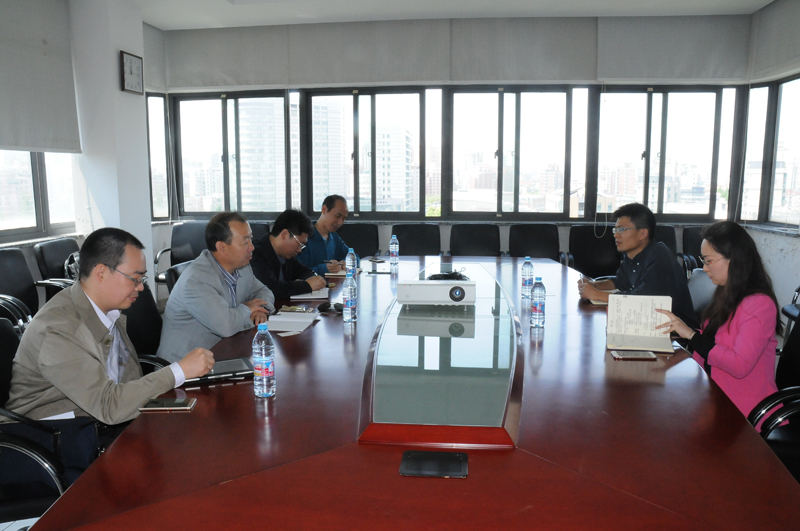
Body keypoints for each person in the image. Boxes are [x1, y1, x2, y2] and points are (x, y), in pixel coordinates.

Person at [5, 228, 215, 426]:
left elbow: (122, 384)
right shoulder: (58, 329)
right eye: (135, 278)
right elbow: (108, 407)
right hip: (55, 434)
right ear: (101, 273)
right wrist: (179, 370)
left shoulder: (105, 309)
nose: (141, 287)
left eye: (142, 279)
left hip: (99, 420)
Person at [655, 221, 781, 419]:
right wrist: (675, 347)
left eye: (709, 261)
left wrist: (691, 335)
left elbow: (739, 365)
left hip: (743, 410)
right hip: (714, 393)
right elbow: (711, 342)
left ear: (734, 259)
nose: (704, 268)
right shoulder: (726, 294)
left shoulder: (759, 304)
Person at [157, 212, 276, 363]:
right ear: (222, 247)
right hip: (184, 367)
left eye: (251, 239)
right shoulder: (197, 280)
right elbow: (226, 326)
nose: (251, 247)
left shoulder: (242, 267)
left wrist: (260, 310)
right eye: (245, 242)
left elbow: (263, 291)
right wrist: (248, 309)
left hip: (224, 354)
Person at [577, 203, 699, 329]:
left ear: (642, 233)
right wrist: (595, 285)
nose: (615, 235)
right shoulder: (633, 255)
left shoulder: (660, 257)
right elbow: (621, 281)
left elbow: (642, 299)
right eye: (615, 229)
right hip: (650, 323)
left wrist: (596, 295)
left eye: (621, 229)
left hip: (678, 333)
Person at [250, 209, 327, 299]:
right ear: (284, 234)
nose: (299, 250)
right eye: (299, 244)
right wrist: (306, 285)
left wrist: (313, 279)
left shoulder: (286, 254)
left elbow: (303, 271)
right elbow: (270, 289)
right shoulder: (256, 254)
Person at [297, 194, 359, 275]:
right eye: (337, 216)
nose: (340, 222)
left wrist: (346, 262)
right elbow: (297, 273)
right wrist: (323, 269)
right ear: (324, 209)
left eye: (344, 219)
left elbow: (354, 256)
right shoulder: (304, 237)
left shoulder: (334, 237)